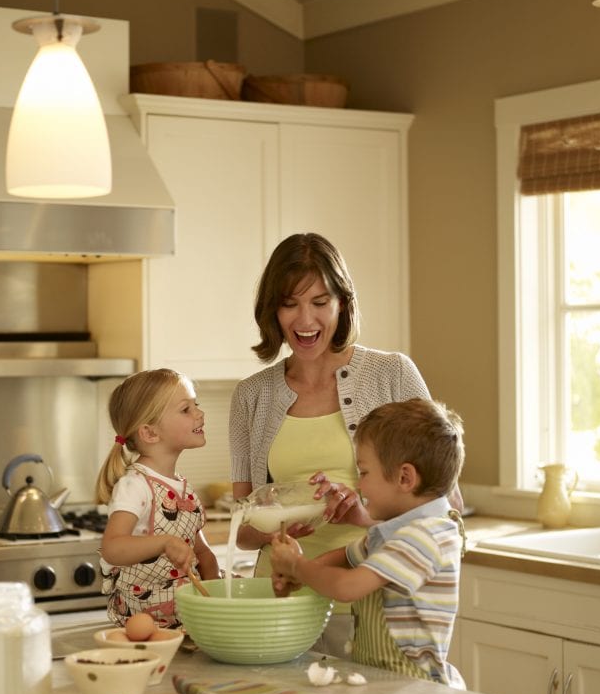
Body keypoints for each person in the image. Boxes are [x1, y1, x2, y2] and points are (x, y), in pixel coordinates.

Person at [228, 232, 452, 655]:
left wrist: (362, 517)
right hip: (279, 601)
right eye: (289, 303)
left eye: (319, 302)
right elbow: (242, 531)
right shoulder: (251, 396)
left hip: (370, 606)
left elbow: (445, 508)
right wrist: (276, 528)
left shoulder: (392, 374)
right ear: (272, 311)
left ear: (342, 304)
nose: (304, 320)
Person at [270, 398, 466, 686]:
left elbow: (346, 587)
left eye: (364, 473)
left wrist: (298, 567)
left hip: (413, 689)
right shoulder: (394, 531)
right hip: (384, 682)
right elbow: (347, 556)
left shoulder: (425, 536)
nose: (359, 485)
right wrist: (296, 571)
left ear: (405, 477)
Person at [96, 368, 220, 628]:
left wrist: (216, 594)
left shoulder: (181, 487)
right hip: (149, 626)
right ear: (150, 433)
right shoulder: (135, 486)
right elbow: (113, 548)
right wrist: (164, 542)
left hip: (187, 619)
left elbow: (203, 553)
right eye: (186, 409)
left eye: (196, 405)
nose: (200, 414)